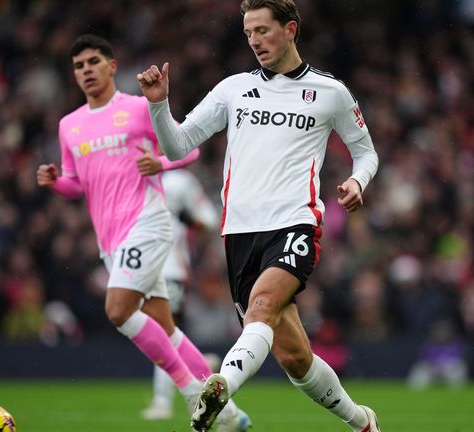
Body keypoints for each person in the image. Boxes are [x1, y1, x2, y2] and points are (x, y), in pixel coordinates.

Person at [137, 1, 381, 431]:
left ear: (290, 30)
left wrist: (358, 182)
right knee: (294, 358)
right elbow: (177, 147)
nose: (254, 40)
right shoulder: (233, 89)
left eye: (263, 31)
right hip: (240, 234)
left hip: (295, 223)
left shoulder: (330, 92)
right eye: (248, 32)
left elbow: (366, 152)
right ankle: (361, 421)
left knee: (262, 306)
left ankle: (219, 388)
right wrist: (160, 105)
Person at [37, 34, 250, 431]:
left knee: (118, 310)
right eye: (78, 65)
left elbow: (189, 149)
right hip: (111, 240)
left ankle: (191, 396)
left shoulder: (137, 109)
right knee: (166, 329)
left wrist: (161, 164)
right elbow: (74, 182)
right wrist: (55, 182)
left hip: (147, 222)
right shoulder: (69, 126)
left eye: (93, 62)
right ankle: (230, 414)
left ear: (111, 66)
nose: (86, 70)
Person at [141, 167, 220, 420]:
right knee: (157, 332)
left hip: (168, 268)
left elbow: (209, 219)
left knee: (161, 333)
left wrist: (188, 219)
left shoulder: (179, 180)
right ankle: (199, 364)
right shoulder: (141, 174)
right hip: (141, 268)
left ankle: (162, 401)